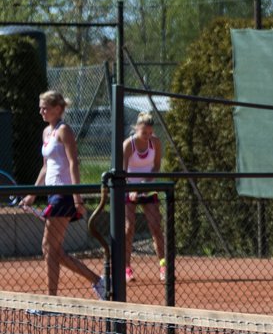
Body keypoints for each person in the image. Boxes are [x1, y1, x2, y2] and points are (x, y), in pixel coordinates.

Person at [21, 91, 106, 298]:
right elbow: (45, 167)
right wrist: (32, 194)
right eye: (40, 107)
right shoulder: (46, 133)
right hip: (52, 194)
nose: (41, 110)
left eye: (45, 107)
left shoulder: (64, 130)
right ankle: (99, 281)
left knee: (48, 247)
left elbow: (73, 163)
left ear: (57, 109)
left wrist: (77, 196)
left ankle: (52, 300)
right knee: (54, 250)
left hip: (64, 194)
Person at [121, 112, 166, 282]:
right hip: (129, 190)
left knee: (156, 226)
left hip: (148, 188)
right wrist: (132, 189)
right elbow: (123, 171)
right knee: (128, 228)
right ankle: (126, 268)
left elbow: (156, 167)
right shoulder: (128, 145)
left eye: (150, 133)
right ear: (136, 129)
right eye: (143, 133)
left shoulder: (155, 143)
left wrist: (145, 185)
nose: (147, 136)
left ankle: (163, 266)